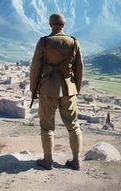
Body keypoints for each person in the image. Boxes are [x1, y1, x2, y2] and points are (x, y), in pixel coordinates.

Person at [30, 13, 83, 170]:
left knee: (47, 126)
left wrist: (34, 90)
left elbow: (35, 68)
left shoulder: (44, 42)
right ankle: (76, 160)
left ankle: (48, 160)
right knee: (73, 125)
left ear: (50, 24)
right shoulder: (74, 42)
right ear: (63, 25)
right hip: (69, 89)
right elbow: (79, 67)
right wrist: (76, 88)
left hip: (48, 89)